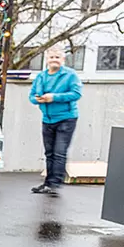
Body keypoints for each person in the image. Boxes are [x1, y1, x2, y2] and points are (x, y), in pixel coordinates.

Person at [30, 46, 82, 196]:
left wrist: (54, 97)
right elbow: (32, 95)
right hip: (47, 118)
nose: (54, 60)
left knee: (59, 152)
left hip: (66, 118)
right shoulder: (41, 76)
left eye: (57, 57)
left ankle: (55, 183)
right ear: (46, 60)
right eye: (51, 57)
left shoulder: (70, 75)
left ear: (63, 59)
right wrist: (37, 99)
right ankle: (48, 182)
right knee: (49, 152)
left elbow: (76, 94)